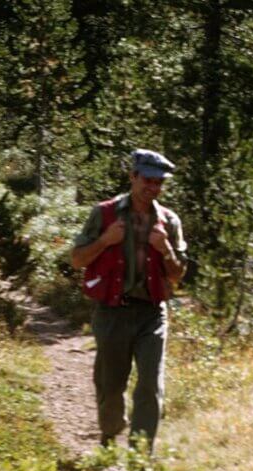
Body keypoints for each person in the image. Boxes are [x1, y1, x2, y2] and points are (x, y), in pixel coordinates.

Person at [71, 149, 187, 450]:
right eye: (148, 180)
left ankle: (141, 453)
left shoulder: (169, 221)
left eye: (159, 182)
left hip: (152, 314)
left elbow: (177, 275)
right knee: (110, 384)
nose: (153, 187)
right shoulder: (104, 214)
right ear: (133, 177)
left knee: (150, 383)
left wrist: (166, 251)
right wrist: (105, 240)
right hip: (112, 312)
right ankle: (110, 435)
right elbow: (77, 259)